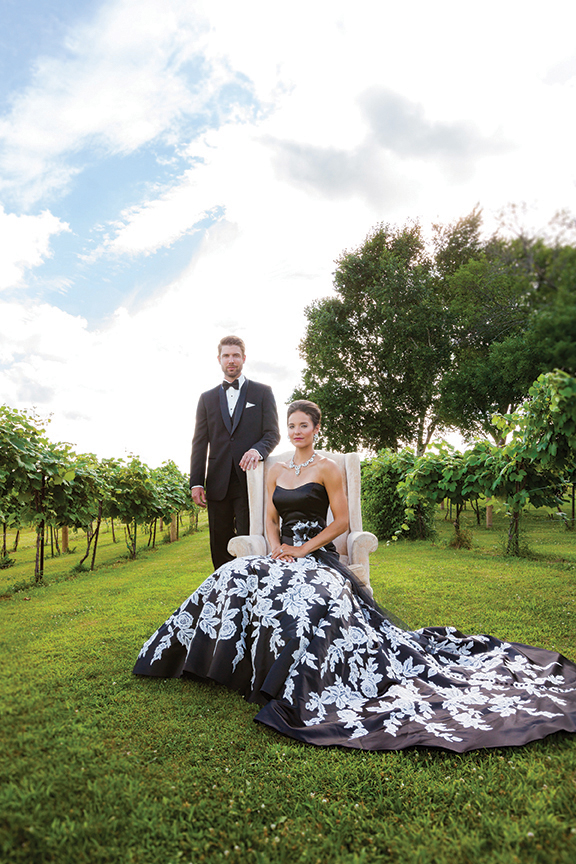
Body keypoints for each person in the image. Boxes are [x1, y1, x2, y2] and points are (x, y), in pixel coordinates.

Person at [135, 400, 576, 753]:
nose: (296, 431)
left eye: (304, 425)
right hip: (281, 552)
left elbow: (343, 522)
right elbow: (268, 517)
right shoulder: (276, 470)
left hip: (317, 554)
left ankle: (287, 682)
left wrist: (303, 550)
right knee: (232, 575)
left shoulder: (329, 467)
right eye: (292, 426)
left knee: (307, 598)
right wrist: (274, 549)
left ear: (316, 429)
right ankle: (193, 662)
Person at [190, 336, 280, 570]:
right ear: (219, 359)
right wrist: (196, 482)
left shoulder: (263, 392)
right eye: (226, 356)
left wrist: (257, 450)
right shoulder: (206, 398)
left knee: (250, 540)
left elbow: (272, 434)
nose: (231, 360)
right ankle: (224, 588)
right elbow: (199, 443)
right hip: (217, 481)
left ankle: (252, 585)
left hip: (249, 480)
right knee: (219, 542)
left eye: (235, 355)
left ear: (244, 358)